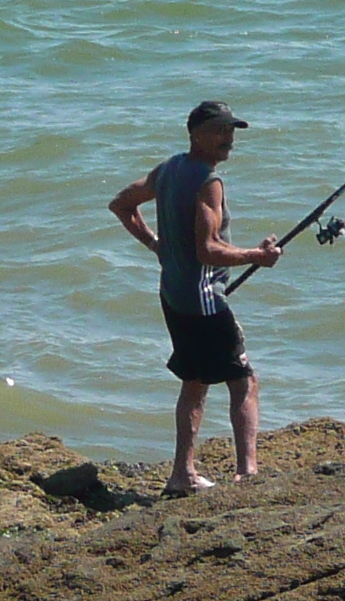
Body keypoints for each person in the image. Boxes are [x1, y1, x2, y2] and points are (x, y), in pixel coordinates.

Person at [108, 100, 283, 494]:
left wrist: (159, 247)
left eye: (232, 131)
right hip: (203, 300)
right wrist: (256, 256)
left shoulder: (169, 169)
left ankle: (181, 474)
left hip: (173, 293)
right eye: (220, 131)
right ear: (196, 134)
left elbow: (121, 205)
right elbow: (208, 249)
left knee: (195, 382)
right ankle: (247, 474)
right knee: (243, 381)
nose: (229, 140)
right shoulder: (208, 181)